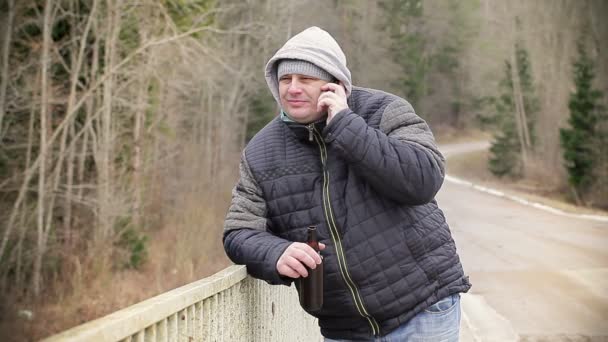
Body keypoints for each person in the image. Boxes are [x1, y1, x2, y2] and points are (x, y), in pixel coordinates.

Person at [223, 26, 471, 341]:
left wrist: (345, 125)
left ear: (336, 84)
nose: (293, 89)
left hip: (422, 309)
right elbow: (238, 231)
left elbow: (423, 180)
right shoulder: (261, 152)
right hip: (344, 328)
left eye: (306, 79)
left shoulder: (384, 111)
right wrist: (274, 253)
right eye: (285, 80)